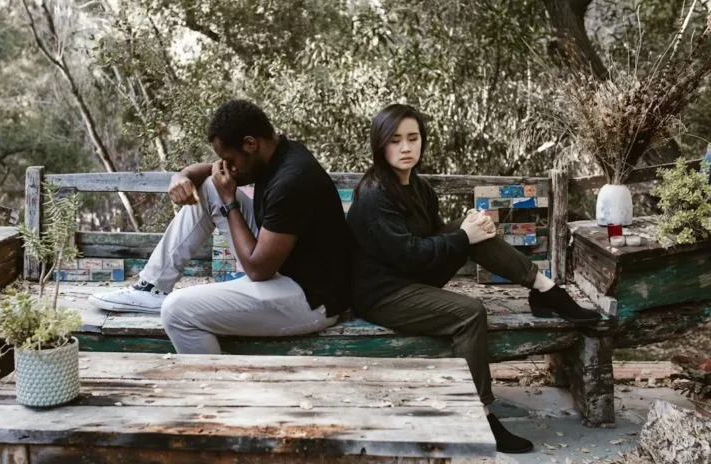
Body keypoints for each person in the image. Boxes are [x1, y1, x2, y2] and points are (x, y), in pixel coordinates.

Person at [346, 104, 602, 454]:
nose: (406, 148)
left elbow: (434, 238)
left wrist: (471, 230)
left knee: (471, 230)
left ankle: (545, 290)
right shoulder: (374, 196)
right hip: (382, 293)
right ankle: (481, 414)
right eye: (395, 141)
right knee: (470, 312)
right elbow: (410, 254)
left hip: (410, 277)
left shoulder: (418, 188)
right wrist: (464, 237)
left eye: (413, 138)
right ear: (380, 145)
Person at [89, 99, 351, 354]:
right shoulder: (276, 153)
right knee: (211, 185)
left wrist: (230, 201)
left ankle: (217, 385)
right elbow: (212, 171)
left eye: (230, 159)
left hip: (311, 300)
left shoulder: (292, 180)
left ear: (250, 144)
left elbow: (258, 270)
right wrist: (181, 177)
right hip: (283, 268)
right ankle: (152, 286)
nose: (228, 167)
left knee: (177, 311)